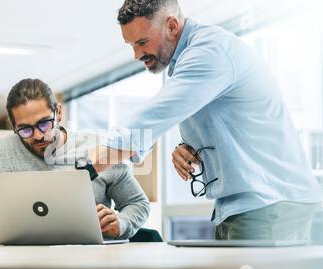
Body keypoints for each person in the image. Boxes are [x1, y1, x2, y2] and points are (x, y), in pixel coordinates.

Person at [86, 0, 322, 241]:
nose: (136, 54)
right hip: (243, 207)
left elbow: (152, 117)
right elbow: (226, 123)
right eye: (131, 45)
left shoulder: (210, 50)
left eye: (142, 42)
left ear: (172, 25)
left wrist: (87, 169)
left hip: (270, 204)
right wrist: (188, 147)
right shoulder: (187, 61)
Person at [0, 78, 150, 244]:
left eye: (44, 123)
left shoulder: (100, 150)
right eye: (25, 130)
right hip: (25, 264)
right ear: (14, 126)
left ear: (59, 112)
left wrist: (122, 223)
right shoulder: (3, 152)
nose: (38, 135)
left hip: (91, 263)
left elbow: (137, 203)